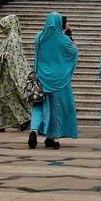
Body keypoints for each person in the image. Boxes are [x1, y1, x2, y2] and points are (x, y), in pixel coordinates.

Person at [28, 11, 78, 149]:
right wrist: (68, 34)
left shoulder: (39, 38)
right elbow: (74, 52)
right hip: (58, 81)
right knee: (56, 108)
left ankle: (34, 129)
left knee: (38, 105)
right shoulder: (64, 40)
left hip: (41, 79)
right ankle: (51, 137)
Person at [0, 14, 32, 133]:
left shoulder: (13, 37)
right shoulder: (10, 37)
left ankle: (23, 119)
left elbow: (11, 56)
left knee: (6, 97)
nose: (2, 29)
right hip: (4, 74)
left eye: (3, 26)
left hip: (7, 75)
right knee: (0, 98)